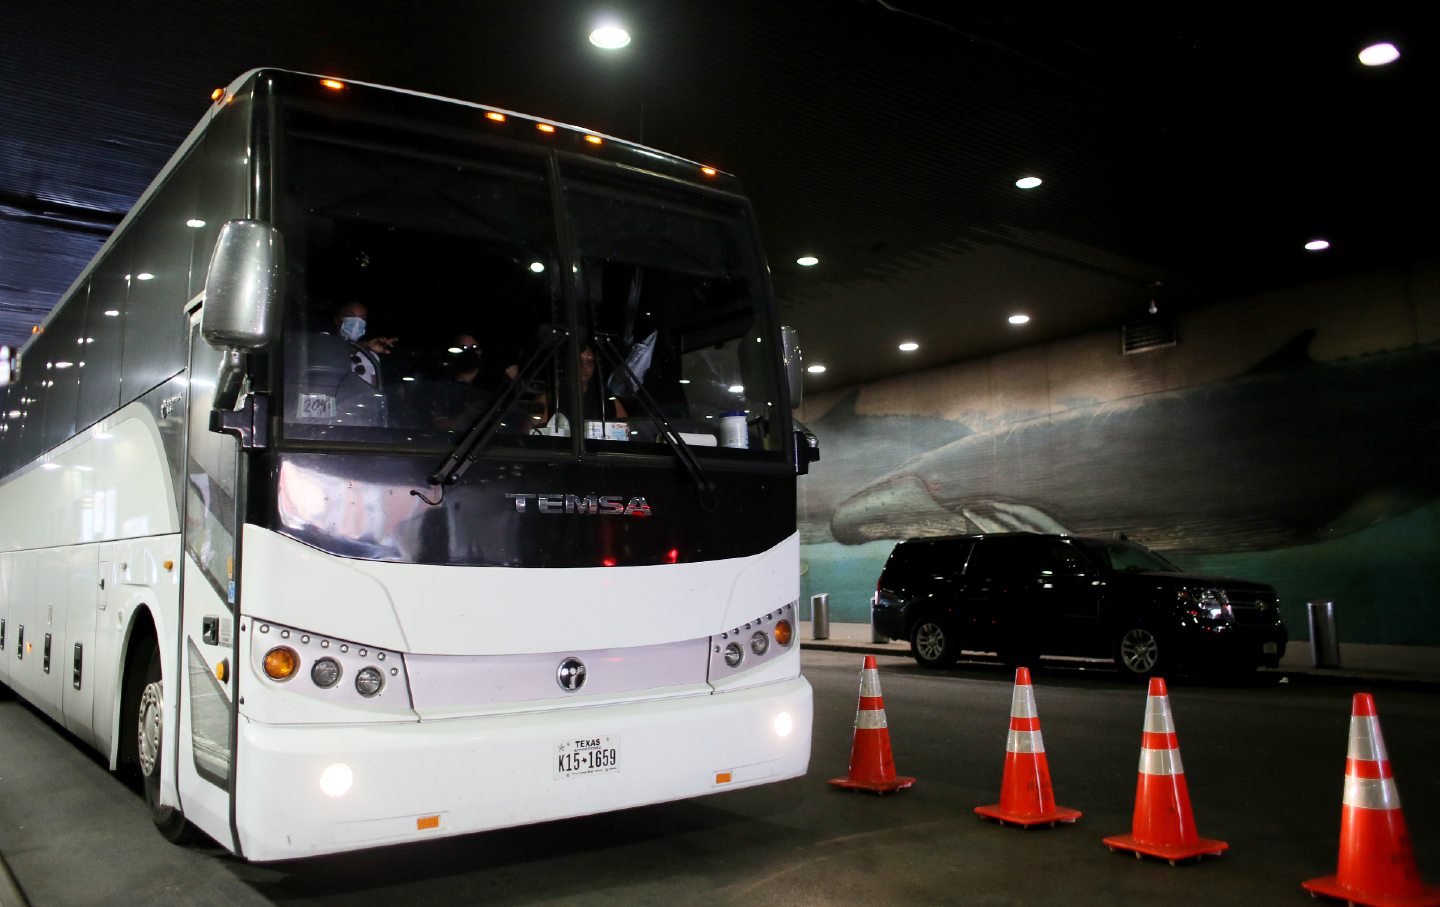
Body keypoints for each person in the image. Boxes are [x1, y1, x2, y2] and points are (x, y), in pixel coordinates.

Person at [334, 301, 398, 388]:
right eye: (350, 316)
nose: (357, 322)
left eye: (362, 318)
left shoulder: (371, 357)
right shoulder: (325, 348)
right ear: (337, 320)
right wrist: (366, 345)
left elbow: (374, 392)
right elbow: (337, 348)